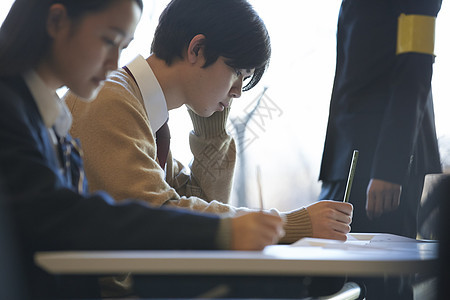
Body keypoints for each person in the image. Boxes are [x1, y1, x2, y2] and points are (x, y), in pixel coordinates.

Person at [0, 0, 286, 298]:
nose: (114, 63)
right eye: (109, 41)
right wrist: (278, 226)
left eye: (122, 47)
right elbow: (69, 214)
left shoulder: (48, 115)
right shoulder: (100, 101)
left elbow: (195, 202)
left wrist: (211, 130)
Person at [65, 0, 354, 251]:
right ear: (197, 49)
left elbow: (195, 208)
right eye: (237, 73)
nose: (238, 92)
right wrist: (290, 225)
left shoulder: (143, 110)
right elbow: (161, 215)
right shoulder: (112, 100)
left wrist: (212, 132)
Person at [318, 0, 442, 239]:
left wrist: (390, 166)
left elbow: (416, 67)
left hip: (380, 165)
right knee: (327, 267)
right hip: (343, 157)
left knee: (375, 271)